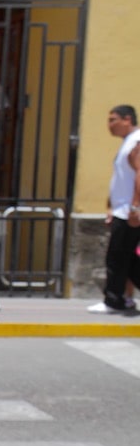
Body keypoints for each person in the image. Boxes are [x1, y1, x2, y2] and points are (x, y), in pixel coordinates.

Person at [87, 104, 140, 314]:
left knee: (117, 257)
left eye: (113, 120)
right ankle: (122, 299)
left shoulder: (136, 142)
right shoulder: (129, 142)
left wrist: (135, 207)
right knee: (128, 259)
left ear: (127, 120)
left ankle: (113, 301)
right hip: (122, 209)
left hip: (129, 211)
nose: (109, 125)